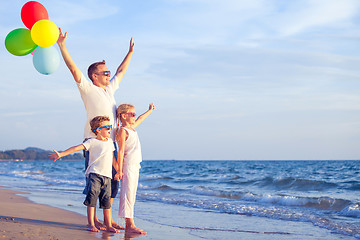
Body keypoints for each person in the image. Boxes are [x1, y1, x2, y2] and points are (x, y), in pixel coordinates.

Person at [57, 28, 134, 230]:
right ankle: (94, 220)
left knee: (111, 182)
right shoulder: (88, 89)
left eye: (108, 72)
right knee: (94, 183)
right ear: (94, 76)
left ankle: (106, 219)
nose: (109, 75)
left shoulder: (109, 89)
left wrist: (130, 53)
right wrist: (62, 45)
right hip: (93, 143)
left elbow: (121, 71)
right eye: (105, 73)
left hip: (110, 142)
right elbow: (73, 69)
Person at [49, 116, 120, 233]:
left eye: (110, 127)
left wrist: (118, 171)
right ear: (98, 130)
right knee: (92, 199)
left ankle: (108, 225)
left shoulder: (110, 143)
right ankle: (91, 223)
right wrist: (61, 154)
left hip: (107, 177)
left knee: (106, 201)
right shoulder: (91, 142)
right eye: (107, 127)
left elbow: (113, 159)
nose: (110, 129)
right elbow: (76, 148)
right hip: (95, 174)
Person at [115, 103, 155, 234]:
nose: (135, 116)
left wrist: (149, 111)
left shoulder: (131, 128)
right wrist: (119, 170)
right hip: (128, 165)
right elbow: (120, 151)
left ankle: (129, 223)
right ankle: (129, 224)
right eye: (132, 114)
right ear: (124, 116)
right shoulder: (123, 131)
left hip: (135, 164)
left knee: (131, 193)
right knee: (128, 193)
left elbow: (140, 119)